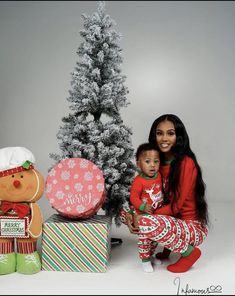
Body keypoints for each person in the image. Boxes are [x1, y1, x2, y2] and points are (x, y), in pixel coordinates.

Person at [121, 114, 209, 273]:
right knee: (124, 212)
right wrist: (132, 215)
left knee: (145, 221)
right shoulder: (155, 163)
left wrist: (144, 217)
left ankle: (189, 253)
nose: (164, 138)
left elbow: (175, 207)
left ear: (179, 137)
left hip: (192, 228)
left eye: (170, 133)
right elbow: (146, 196)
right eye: (159, 133)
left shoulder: (186, 163)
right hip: (169, 220)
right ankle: (167, 248)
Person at [129, 142, 164, 272]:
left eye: (156, 161)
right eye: (148, 161)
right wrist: (143, 207)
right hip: (143, 215)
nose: (153, 165)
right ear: (139, 164)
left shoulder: (159, 176)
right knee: (145, 238)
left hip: (155, 214)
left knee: (155, 237)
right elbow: (133, 198)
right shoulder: (139, 181)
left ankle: (151, 255)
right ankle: (145, 260)